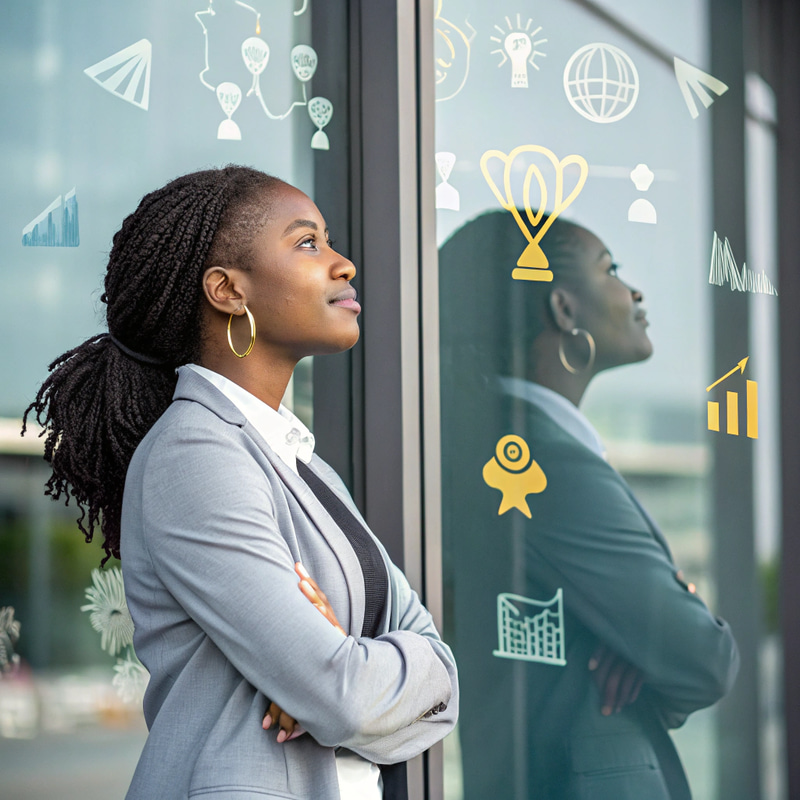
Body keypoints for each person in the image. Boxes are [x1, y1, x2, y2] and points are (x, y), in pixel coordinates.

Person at [23, 165, 458, 800]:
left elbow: (437, 672)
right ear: (228, 290)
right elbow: (339, 694)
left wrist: (344, 678)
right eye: (308, 243)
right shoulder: (194, 453)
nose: (344, 265)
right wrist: (344, 684)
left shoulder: (300, 462)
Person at [438, 210, 738, 800]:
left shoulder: (502, 441)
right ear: (564, 310)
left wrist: (641, 639)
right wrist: (648, 641)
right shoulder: (540, 463)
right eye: (612, 269)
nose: (636, 290)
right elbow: (704, 657)